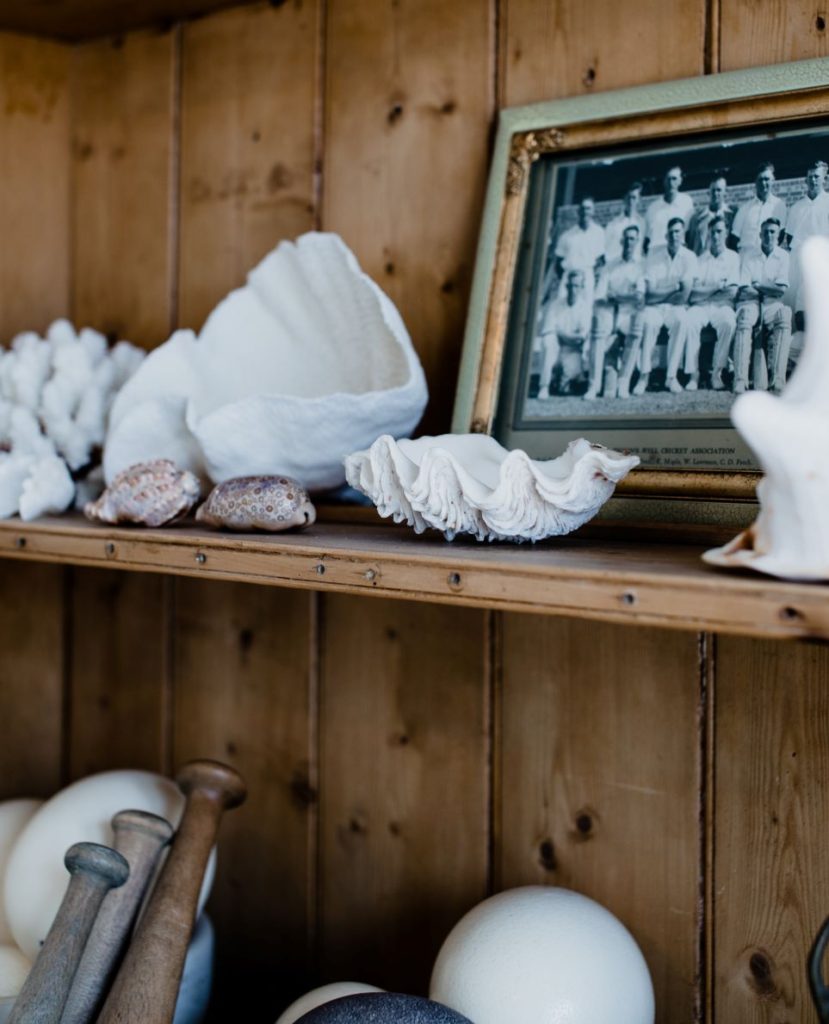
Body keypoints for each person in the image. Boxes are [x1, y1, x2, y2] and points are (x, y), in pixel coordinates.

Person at [623, 217, 697, 396]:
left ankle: (671, 377)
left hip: (675, 308)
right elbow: (650, 294)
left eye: (677, 232)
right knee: (648, 322)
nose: (674, 235)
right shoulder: (654, 256)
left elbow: (685, 295)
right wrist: (673, 288)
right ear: (666, 235)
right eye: (671, 232)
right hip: (655, 308)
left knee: (681, 320)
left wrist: (662, 293)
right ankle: (644, 376)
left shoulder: (690, 257)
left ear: (682, 234)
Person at [733, 217, 791, 393]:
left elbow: (780, 291)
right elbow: (744, 290)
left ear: (778, 235)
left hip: (773, 305)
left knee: (785, 314)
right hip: (750, 303)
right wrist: (767, 288)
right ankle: (740, 380)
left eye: (773, 232)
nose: (769, 235)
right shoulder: (749, 256)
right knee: (744, 318)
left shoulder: (783, 256)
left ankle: (778, 378)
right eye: (765, 232)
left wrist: (757, 285)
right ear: (760, 234)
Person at [587, 224, 645, 400]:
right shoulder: (610, 266)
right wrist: (625, 295)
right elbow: (600, 297)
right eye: (626, 238)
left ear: (637, 241)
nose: (629, 242)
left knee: (637, 326)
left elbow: (639, 298)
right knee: (597, 329)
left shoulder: (641, 266)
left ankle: (624, 381)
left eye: (632, 238)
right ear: (621, 240)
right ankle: (593, 385)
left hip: (629, 315)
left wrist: (617, 295)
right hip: (609, 314)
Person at [684, 216, 740, 390]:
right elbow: (692, 295)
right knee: (689, 321)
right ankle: (694, 375)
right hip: (701, 307)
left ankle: (717, 373)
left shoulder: (733, 258)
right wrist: (716, 286)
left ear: (726, 233)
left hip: (723, 306)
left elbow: (731, 291)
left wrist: (705, 292)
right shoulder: (700, 259)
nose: (715, 236)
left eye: (719, 231)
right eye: (712, 232)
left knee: (728, 322)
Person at [785, 159, 829, 325]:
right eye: (810, 177)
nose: (813, 180)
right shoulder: (797, 207)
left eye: (817, 176)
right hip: (798, 262)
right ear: (805, 179)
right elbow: (789, 238)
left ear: (825, 178)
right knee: (796, 307)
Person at [536, 269, 592, 399]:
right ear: (566, 286)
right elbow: (548, 331)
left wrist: (560, 333)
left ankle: (564, 379)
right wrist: (570, 336)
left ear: (582, 288)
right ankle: (543, 387)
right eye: (571, 285)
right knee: (548, 341)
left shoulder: (585, 309)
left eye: (577, 286)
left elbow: (581, 339)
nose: (573, 289)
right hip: (556, 349)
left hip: (572, 352)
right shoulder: (555, 305)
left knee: (568, 383)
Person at [553, 197, 605, 301]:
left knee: (585, 310)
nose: (585, 212)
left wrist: (593, 278)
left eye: (588, 208)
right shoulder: (567, 235)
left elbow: (601, 261)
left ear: (593, 211)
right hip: (569, 277)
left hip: (587, 278)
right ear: (578, 211)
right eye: (583, 208)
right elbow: (558, 263)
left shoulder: (599, 233)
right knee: (563, 309)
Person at [730, 162, 787, 256]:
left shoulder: (779, 206)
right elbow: (734, 238)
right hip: (746, 259)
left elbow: (780, 236)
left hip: (769, 258)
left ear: (773, 180)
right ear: (755, 182)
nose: (763, 183)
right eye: (760, 179)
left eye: (767, 179)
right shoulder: (745, 209)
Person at [643, 166, 694, 255]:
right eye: (668, 179)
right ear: (664, 181)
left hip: (679, 253)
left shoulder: (687, 203)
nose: (671, 183)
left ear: (680, 181)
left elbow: (690, 233)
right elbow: (646, 239)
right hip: (656, 254)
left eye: (674, 179)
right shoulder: (652, 208)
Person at [686, 177, 735, 256]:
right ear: (708, 192)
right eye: (713, 190)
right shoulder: (696, 218)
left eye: (719, 190)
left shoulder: (732, 216)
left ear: (725, 192)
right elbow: (691, 245)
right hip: (702, 262)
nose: (715, 194)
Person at [604, 182, 646, 262]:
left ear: (639, 200)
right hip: (616, 267)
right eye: (628, 197)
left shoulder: (643, 224)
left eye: (634, 198)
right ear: (624, 199)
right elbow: (606, 249)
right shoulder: (613, 225)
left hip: (635, 268)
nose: (630, 201)